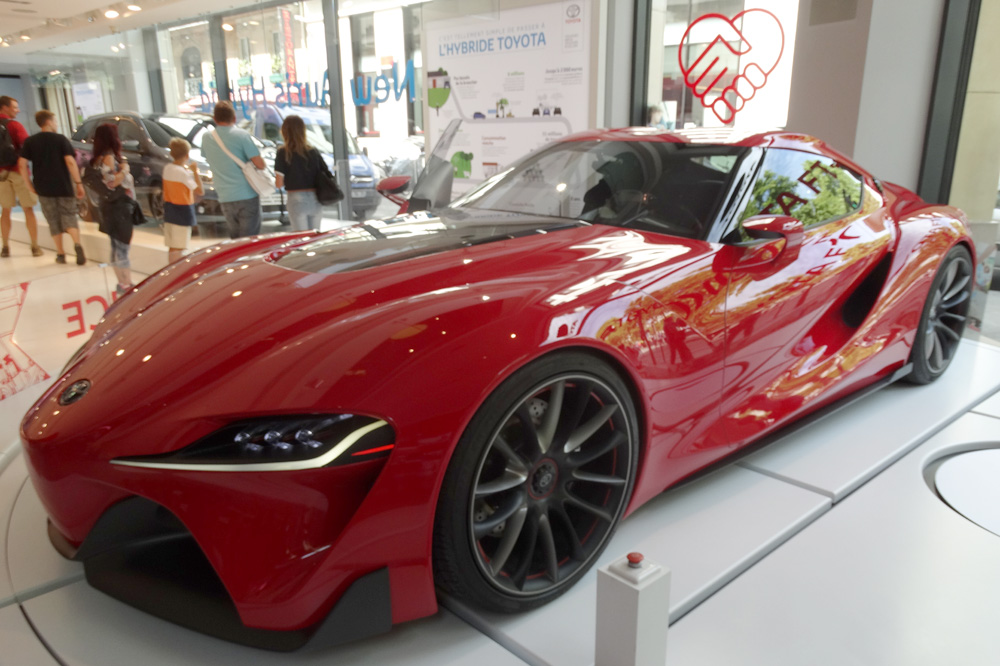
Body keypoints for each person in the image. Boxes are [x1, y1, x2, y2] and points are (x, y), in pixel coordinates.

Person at [17, 110, 87, 265]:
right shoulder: (61, 140)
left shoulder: (31, 141)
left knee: (52, 219)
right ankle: (77, 245)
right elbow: (70, 162)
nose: (56, 124)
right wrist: (78, 183)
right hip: (64, 185)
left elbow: (22, 164)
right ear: (48, 121)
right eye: (55, 121)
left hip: (43, 187)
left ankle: (61, 254)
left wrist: (29, 185)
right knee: (69, 216)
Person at [201, 101, 265, 238]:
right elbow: (260, 164)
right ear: (234, 118)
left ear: (215, 119)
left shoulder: (206, 138)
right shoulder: (242, 135)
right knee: (250, 240)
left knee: (235, 240)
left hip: (224, 196)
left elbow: (207, 159)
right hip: (247, 194)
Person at [90, 123, 136, 296]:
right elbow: (112, 182)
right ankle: (126, 282)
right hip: (119, 207)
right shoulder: (109, 157)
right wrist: (124, 171)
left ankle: (122, 282)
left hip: (109, 206)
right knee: (122, 245)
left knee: (115, 244)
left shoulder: (98, 158)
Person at [0, 95, 42, 258]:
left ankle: (5, 246)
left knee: (5, 210)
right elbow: (27, 147)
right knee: (28, 208)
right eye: (15, 107)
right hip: (18, 171)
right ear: (5, 107)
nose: (17, 110)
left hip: (1, 175)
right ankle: (34, 246)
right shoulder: (15, 125)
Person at [274, 115, 323, 231]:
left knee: (301, 239)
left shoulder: (283, 153)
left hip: (296, 199)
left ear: (284, 131)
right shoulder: (313, 151)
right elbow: (324, 173)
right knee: (315, 239)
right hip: (316, 198)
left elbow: (279, 183)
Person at [162, 137, 203, 263]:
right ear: (187, 155)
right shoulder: (182, 173)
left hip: (169, 210)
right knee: (179, 248)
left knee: (172, 246)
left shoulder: (167, 168)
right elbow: (200, 191)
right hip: (182, 212)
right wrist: (195, 172)